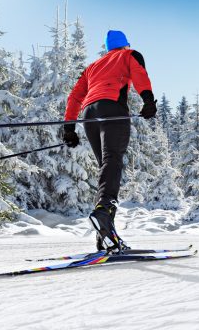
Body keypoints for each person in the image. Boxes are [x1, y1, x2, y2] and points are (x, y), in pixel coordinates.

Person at [62, 30, 157, 253]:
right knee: (112, 161)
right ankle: (104, 212)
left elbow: (75, 96)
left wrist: (69, 129)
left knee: (107, 168)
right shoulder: (129, 55)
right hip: (113, 109)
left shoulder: (92, 67)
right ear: (125, 44)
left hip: (89, 115)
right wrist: (148, 100)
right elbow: (140, 75)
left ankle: (106, 236)